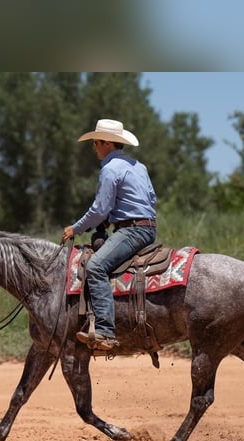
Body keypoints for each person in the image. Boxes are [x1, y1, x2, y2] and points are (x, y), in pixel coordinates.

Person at [62, 118, 157, 351]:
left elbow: (99, 210)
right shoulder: (139, 166)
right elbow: (151, 199)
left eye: (95, 142)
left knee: (95, 267)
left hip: (132, 231)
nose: (94, 147)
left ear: (106, 143)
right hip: (148, 228)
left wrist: (75, 228)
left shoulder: (110, 168)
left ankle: (104, 330)